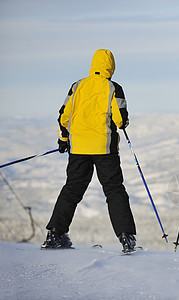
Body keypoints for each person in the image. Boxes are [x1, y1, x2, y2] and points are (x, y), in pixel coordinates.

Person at [41, 49, 137, 253]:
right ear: (111, 66)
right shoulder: (113, 87)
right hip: (104, 148)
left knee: (72, 188)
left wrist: (63, 139)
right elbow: (121, 119)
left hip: (79, 149)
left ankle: (55, 234)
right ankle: (126, 238)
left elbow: (63, 116)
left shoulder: (77, 86)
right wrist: (125, 121)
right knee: (114, 190)